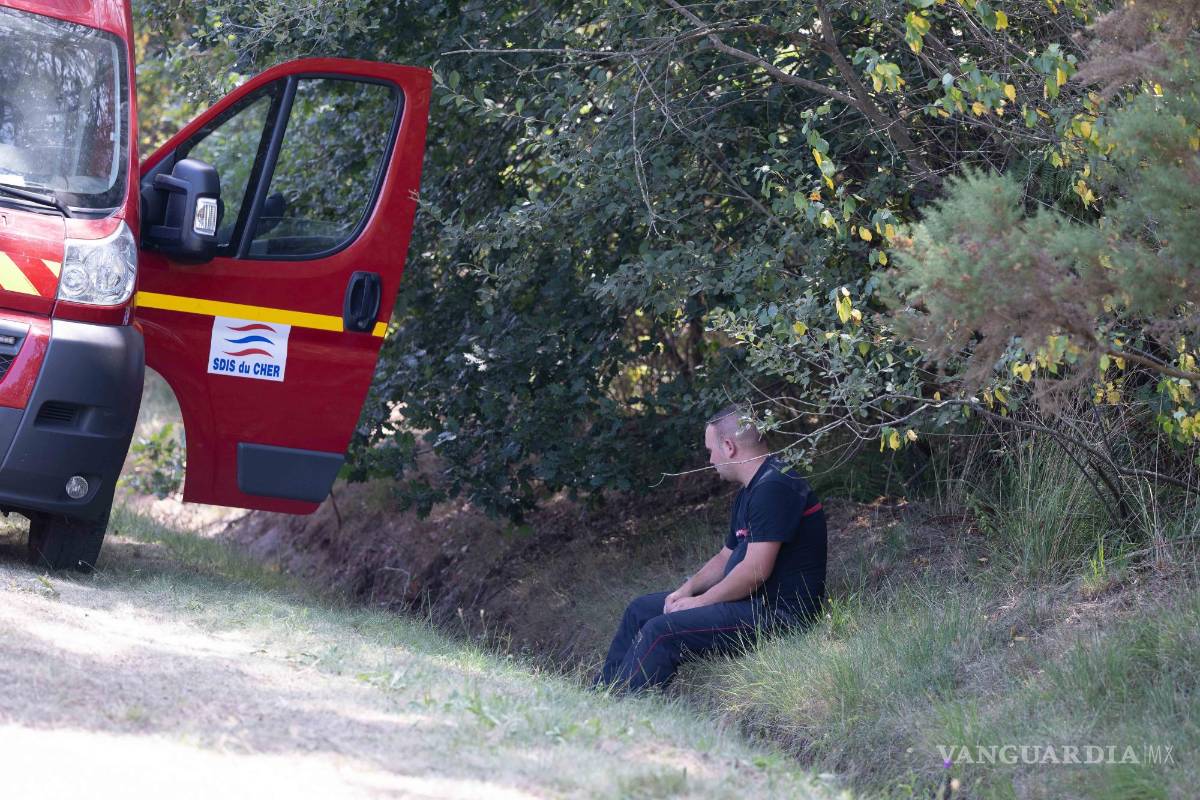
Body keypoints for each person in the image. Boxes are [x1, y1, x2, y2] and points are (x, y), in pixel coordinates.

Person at [594, 405, 827, 693]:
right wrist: (686, 591)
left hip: (777, 617)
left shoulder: (775, 486)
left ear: (728, 447)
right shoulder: (751, 490)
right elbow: (726, 556)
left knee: (661, 632)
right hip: (747, 605)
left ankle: (623, 710)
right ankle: (601, 697)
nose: (710, 459)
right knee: (641, 610)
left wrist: (701, 603)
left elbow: (755, 571)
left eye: (710, 450)